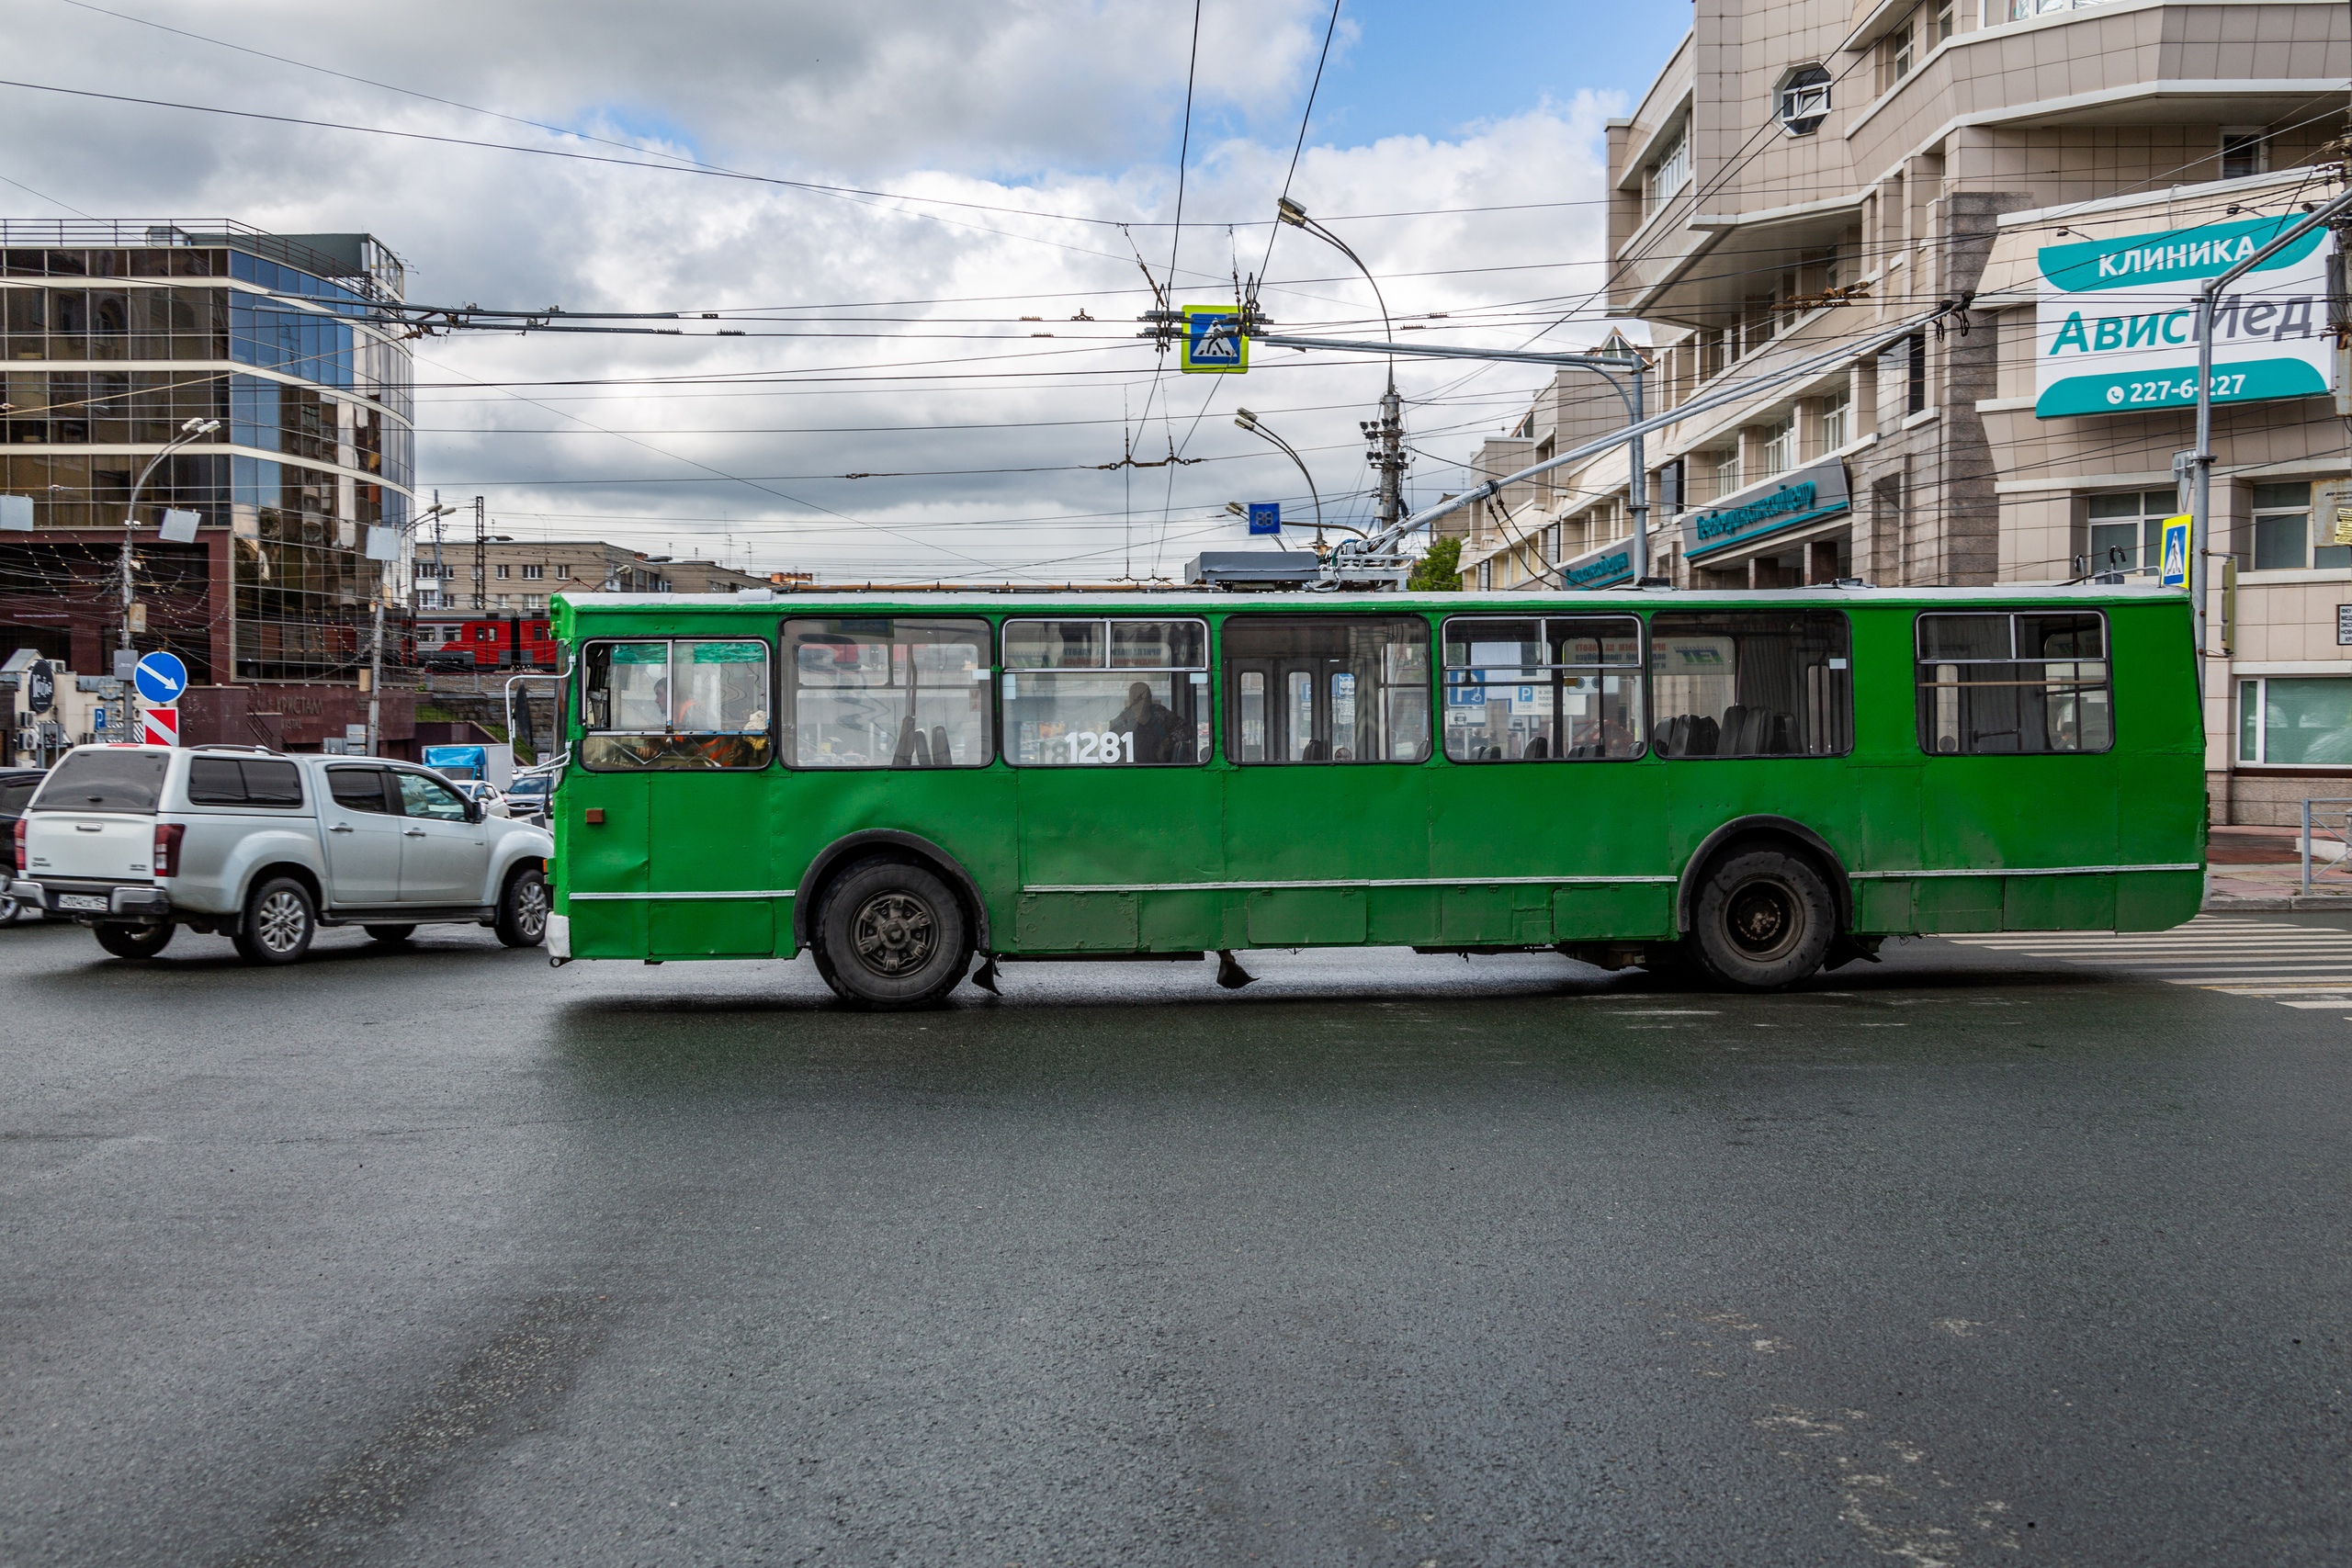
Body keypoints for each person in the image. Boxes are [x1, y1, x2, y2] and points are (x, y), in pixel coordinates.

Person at [1113, 681, 1185, 762]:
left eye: (1146, 696)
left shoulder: (1161, 714)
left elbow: (1186, 729)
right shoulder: (1121, 722)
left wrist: (1168, 741)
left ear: (1150, 698)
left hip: (1164, 768)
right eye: (1138, 697)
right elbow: (1113, 752)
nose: (1142, 701)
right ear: (1131, 699)